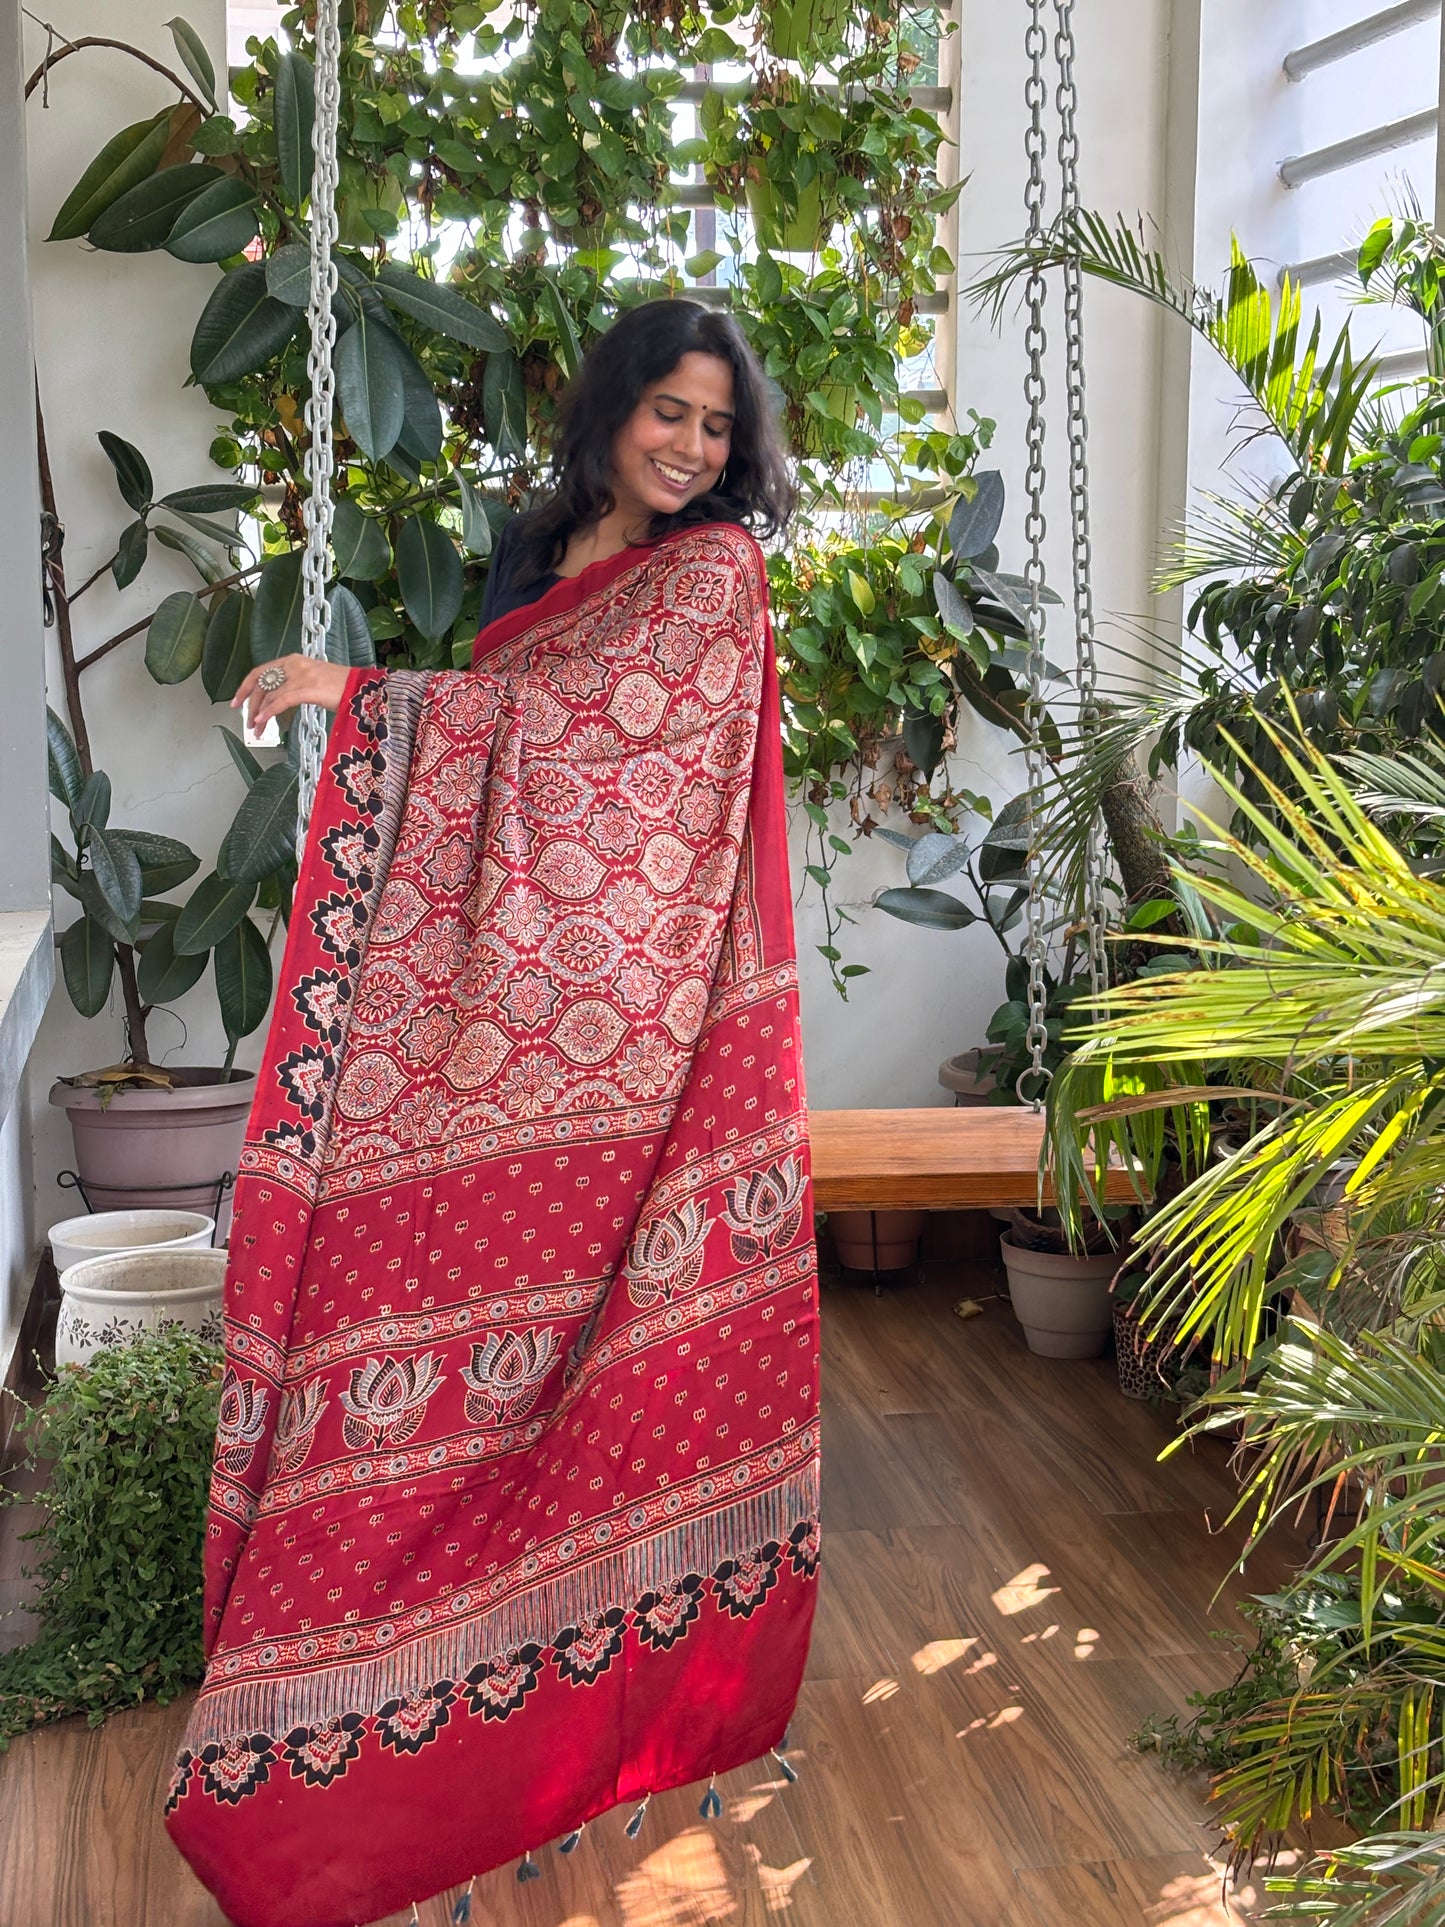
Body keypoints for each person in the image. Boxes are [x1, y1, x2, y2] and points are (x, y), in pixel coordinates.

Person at [168, 300, 822, 1927]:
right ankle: (370, 1653)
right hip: (493, 1041)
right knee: (397, 1314)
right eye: (666, 412)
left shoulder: (714, 578)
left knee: (610, 1359)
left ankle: (574, 1688)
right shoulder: (536, 560)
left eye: (715, 427)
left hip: (643, 1035)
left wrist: (360, 697)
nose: (689, 447)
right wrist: (399, 710)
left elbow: (623, 785)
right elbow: (518, 775)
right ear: (608, 408)